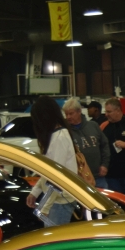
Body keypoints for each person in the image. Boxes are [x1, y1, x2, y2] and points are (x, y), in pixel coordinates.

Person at [26, 96, 81, 226]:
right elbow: (49, 173)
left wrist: (45, 207)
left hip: (60, 201)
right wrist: (35, 192)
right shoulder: (56, 135)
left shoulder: (59, 137)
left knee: (55, 238)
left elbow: (56, 177)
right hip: (56, 200)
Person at [63, 96, 109, 189]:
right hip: (78, 179)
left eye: (71, 113)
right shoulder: (65, 132)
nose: (68, 117)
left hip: (98, 177)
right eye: (66, 114)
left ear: (79, 111)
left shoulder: (93, 126)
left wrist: (105, 165)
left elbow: (104, 146)